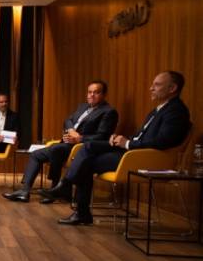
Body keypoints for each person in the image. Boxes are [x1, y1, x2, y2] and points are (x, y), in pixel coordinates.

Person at [41, 71, 191, 225]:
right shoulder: (159, 109)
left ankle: (74, 200)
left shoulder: (176, 111)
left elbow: (163, 141)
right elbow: (143, 137)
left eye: (157, 85)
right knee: (88, 146)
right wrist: (120, 139)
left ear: (172, 88)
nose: (151, 88)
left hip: (143, 157)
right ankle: (68, 191)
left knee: (86, 162)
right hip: (133, 151)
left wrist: (128, 144)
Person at [3, 81, 118, 203]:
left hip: (82, 148)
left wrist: (79, 138)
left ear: (104, 94)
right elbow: (68, 120)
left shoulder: (109, 112)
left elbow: (102, 137)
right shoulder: (83, 107)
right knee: (36, 154)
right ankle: (25, 190)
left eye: (96, 92)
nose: (91, 95)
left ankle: (55, 189)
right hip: (66, 144)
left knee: (56, 149)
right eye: (89, 92)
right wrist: (71, 130)